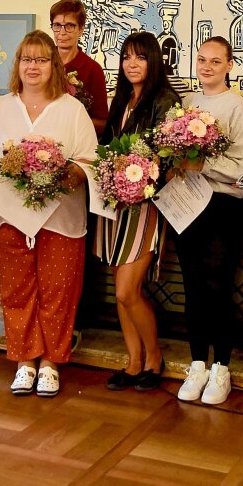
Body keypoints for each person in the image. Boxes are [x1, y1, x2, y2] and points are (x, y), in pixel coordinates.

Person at [0, 31, 97, 397]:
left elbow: (89, 161)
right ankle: (24, 359)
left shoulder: (71, 108)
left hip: (60, 217)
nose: (33, 67)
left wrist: (65, 175)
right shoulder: (0, 108)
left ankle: (50, 362)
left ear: (55, 66)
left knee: (58, 291)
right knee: (17, 290)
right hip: (9, 216)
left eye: (41, 60)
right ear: (17, 65)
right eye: (26, 59)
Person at [170, 36, 243, 405]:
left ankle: (221, 366)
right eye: (201, 59)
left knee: (219, 286)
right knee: (192, 285)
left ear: (229, 65)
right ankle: (196, 363)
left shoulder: (240, 107)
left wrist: (204, 164)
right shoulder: (187, 103)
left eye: (215, 61)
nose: (206, 67)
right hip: (189, 203)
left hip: (224, 205)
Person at [97, 31, 180, 392]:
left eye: (140, 57)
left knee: (129, 291)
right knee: (120, 289)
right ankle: (133, 363)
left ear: (153, 61)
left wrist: (142, 177)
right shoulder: (122, 99)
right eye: (127, 57)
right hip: (115, 204)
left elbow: (170, 154)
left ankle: (154, 357)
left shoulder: (164, 100)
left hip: (146, 205)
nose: (132, 64)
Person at [50, 0, 109, 136]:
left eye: (70, 26)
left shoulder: (93, 69)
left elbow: (102, 123)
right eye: (57, 25)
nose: (62, 32)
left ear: (81, 29)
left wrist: (72, 122)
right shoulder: (41, 63)